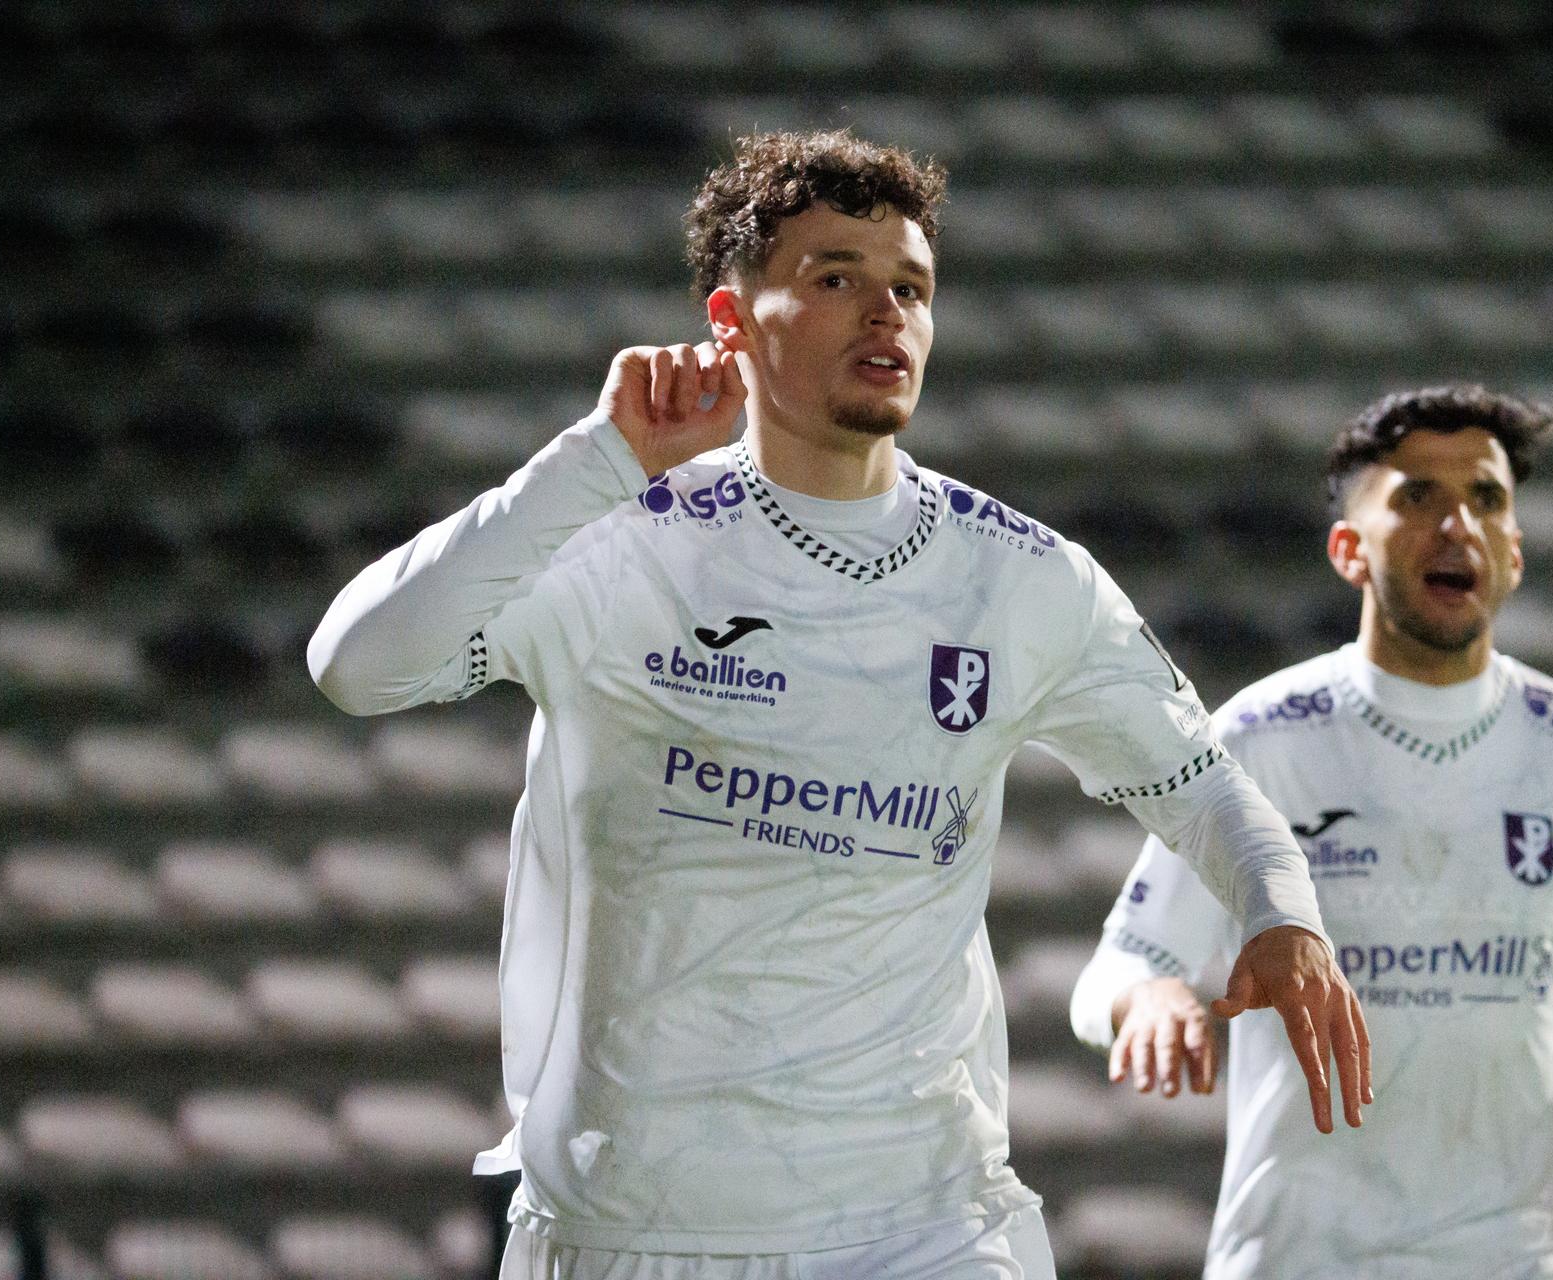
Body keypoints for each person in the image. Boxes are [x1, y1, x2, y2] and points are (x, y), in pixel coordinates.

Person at [308, 129, 1369, 1279]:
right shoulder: (618, 539)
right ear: (731, 319)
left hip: (922, 1227)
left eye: (911, 286)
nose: (887, 313)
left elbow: (1204, 786)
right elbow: (358, 665)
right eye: (835, 278)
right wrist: (597, 460)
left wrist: (1282, 911)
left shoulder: (1019, 575)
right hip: (637, 1228)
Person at [1071, 386, 1553, 1280]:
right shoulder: (1261, 737)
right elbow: (1116, 969)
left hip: (1518, 1256)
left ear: (1514, 554)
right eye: (1418, 496)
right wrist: (1146, 1000)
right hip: (1299, 1256)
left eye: (1486, 499)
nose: (1458, 523)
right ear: (1350, 549)